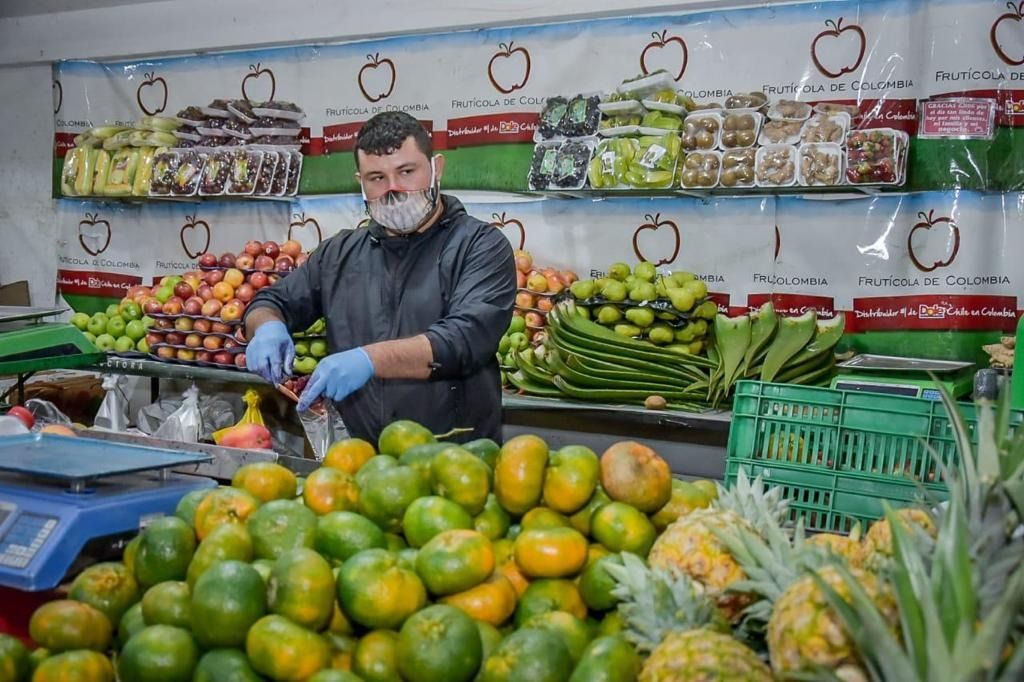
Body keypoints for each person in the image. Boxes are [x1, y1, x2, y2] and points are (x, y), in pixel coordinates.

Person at [243, 111, 516, 444]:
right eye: (377, 178)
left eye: (406, 172)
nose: (393, 189)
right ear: (360, 181)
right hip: (360, 461)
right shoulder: (340, 253)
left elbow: (466, 338)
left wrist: (369, 360)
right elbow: (271, 301)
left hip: (455, 462)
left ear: (436, 168)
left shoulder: (480, 246)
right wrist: (266, 327)